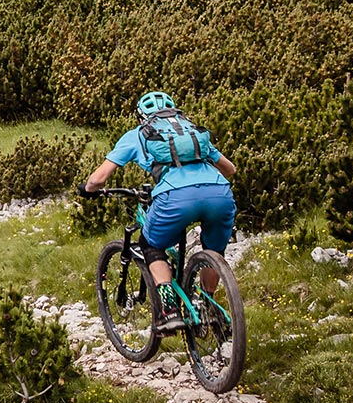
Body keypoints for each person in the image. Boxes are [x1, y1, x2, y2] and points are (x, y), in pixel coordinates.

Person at [77, 91, 237, 333]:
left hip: (175, 197)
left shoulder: (137, 135)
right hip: (219, 193)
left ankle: (170, 310)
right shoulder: (189, 131)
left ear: (141, 117)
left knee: (151, 246)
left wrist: (88, 190)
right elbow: (230, 169)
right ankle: (208, 305)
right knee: (213, 250)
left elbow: (99, 178)